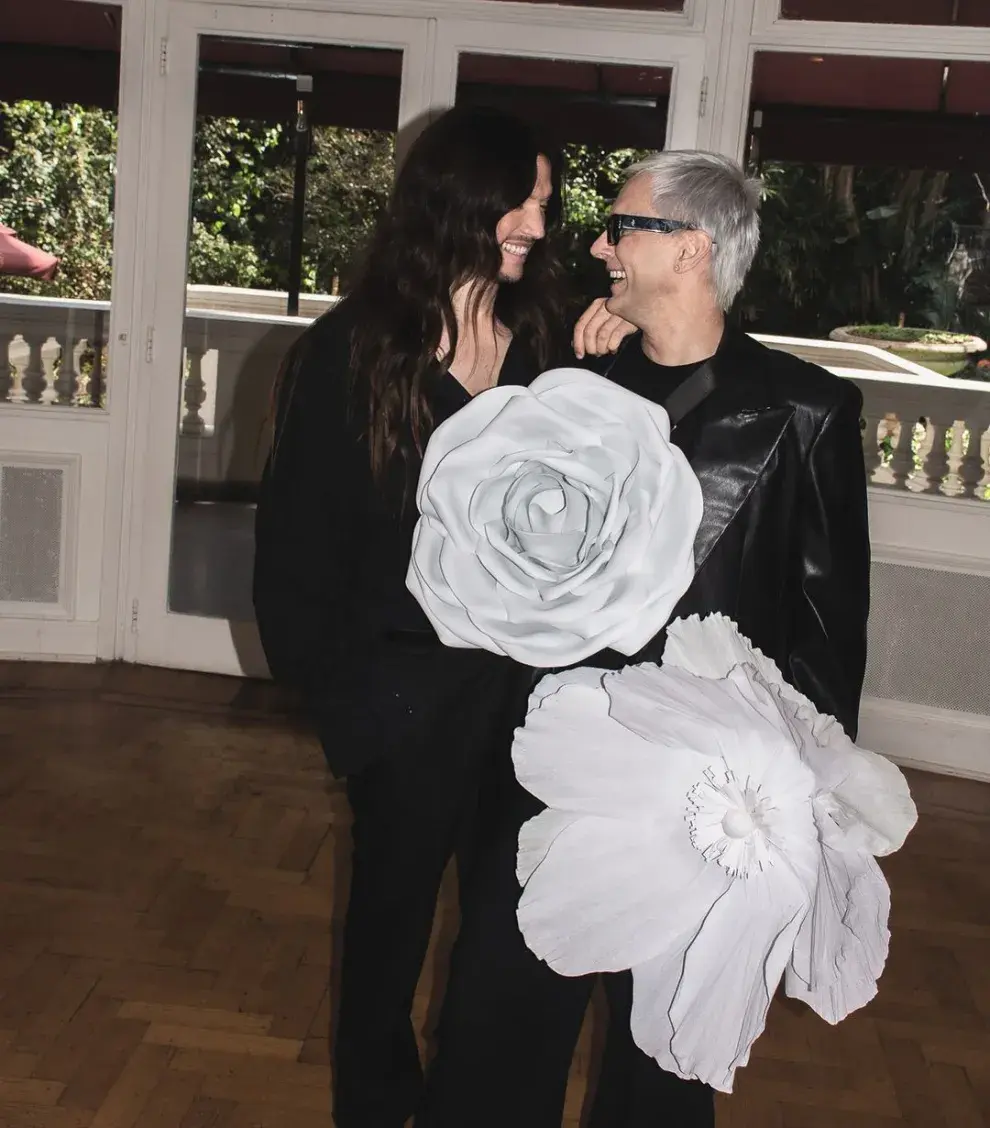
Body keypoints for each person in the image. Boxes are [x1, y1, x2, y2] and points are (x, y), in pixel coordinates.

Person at [416, 150, 871, 1128]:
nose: (597, 244)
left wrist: (811, 816)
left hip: (702, 801)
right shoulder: (572, 377)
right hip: (549, 764)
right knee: (493, 1028)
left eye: (622, 226)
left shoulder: (805, 414)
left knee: (659, 1062)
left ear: (693, 249)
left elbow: (827, 639)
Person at [252, 104, 575, 1128]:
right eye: (520, 199)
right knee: (388, 937)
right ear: (460, 201)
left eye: (543, 203)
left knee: (507, 927)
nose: (535, 220)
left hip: (526, 700)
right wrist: (350, 705)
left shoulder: (549, 337)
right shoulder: (355, 350)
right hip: (402, 699)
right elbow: (294, 548)